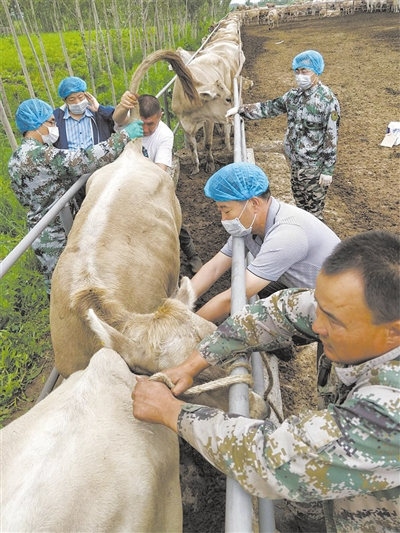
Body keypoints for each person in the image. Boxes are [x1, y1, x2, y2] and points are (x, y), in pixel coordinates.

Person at [132, 230, 400, 533]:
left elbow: (276, 459)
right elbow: (282, 311)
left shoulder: (390, 410)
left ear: (394, 332)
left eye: (333, 321)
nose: (315, 326)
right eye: (320, 308)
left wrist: (171, 411)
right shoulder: (361, 313)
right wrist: (195, 361)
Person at [8, 98, 143, 294]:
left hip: (39, 228)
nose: (55, 128)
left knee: (55, 282)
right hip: (57, 231)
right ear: (37, 125)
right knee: (67, 284)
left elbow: (22, 198)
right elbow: (84, 160)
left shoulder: (15, 158)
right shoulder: (41, 155)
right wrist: (122, 137)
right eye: (51, 123)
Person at [190, 161, 340, 324]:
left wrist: (183, 328)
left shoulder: (286, 234)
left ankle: (294, 342)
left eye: (226, 211)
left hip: (338, 308)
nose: (223, 219)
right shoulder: (250, 225)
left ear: (254, 204)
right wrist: (176, 304)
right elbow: (214, 267)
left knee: (254, 319)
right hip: (308, 290)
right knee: (263, 290)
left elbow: (233, 297)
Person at [226, 50, 340, 222]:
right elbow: (269, 107)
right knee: (301, 209)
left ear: (316, 71)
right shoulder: (293, 96)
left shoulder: (327, 101)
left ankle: (318, 245)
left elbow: (331, 137)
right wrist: (241, 110)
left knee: (314, 214)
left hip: (313, 169)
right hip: (295, 164)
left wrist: (327, 171)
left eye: (305, 72)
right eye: (297, 71)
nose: (300, 76)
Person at [113, 91, 203, 274]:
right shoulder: (130, 123)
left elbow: (160, 169)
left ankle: (192, 254)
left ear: (160, 117)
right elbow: (117, 117)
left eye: (150, 124)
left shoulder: (165, 135)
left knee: (172, 220)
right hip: (124, 186)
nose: (145, 129)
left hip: (151, 184)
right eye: (142, 123)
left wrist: (143, 191)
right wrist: (124, 105)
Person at [53, 76, 117, 208]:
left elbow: (119, 120)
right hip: (73, 177)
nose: (77, 102)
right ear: (64, 101)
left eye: (80, 97)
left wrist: (100, 109)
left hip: (100, 172)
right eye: (72, 99)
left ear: (87, 95)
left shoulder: (98, 114)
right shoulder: (57, 118)